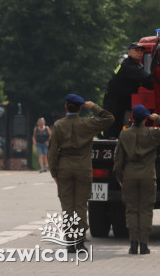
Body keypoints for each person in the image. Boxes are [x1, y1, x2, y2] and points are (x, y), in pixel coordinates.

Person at [48, 94, 114, 252]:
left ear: (66, 107)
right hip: (83, 168)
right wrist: (93, 107)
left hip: (64, 168)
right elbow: (109, 118)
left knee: (67, 206)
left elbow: (52, 151)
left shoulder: (58, 125)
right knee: (81, 205)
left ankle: (70, 241)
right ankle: (79, 241)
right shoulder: (87, 123)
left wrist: (54, 172)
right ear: (79, 108)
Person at [113, 104, 160, 255]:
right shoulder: (151, 134)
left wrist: (119, 176)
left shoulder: (124, 135)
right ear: (145, 118)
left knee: (132, 210)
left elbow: (118, 159)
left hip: (129, 175)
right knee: (146, 209)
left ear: (132, 118)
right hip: (148, 175)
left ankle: (133, 244)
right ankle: (144, 244)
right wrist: (157, 118)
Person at [103, 42, 154, 138]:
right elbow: (147, 80)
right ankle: (109, 143)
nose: (139, 53)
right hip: (115, 100)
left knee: (118, 122)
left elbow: (147, 83)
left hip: (121, 99)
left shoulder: (135, 65)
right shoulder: (129, 66)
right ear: (129, 52)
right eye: (136, 50)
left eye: (141, 51)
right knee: (114, 123)